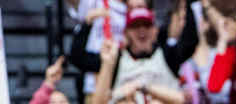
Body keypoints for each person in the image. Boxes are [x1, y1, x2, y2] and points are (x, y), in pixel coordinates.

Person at [69, 5, 198, 91]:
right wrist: (87, 24)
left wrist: (188, 4)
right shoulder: (116, 60)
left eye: (146, 25)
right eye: (135, 26)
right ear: (126, 32)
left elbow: (191, 41)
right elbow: (78, 58)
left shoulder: (168, 55)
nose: (141, 30)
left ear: (155, 30)